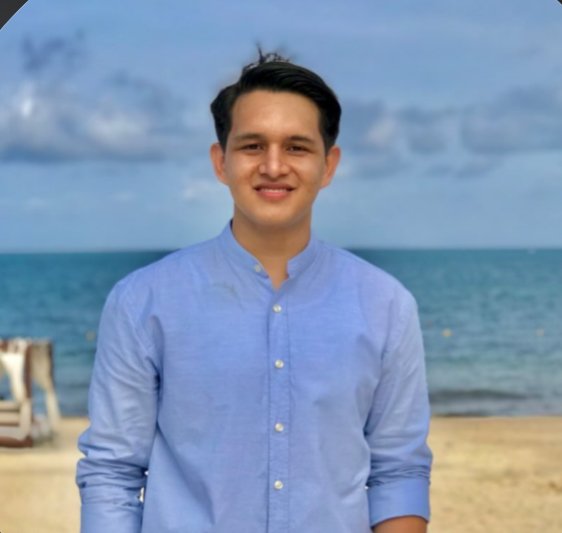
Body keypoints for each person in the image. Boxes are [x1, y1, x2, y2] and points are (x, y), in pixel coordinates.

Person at [76, 51, 432, 533]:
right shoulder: (143, 302)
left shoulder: (386, 305)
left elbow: (399, 471)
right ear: (220, 162)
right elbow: (113, 473)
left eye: (297, 147)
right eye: (252, 146)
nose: (273, 166)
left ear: (329, 165)